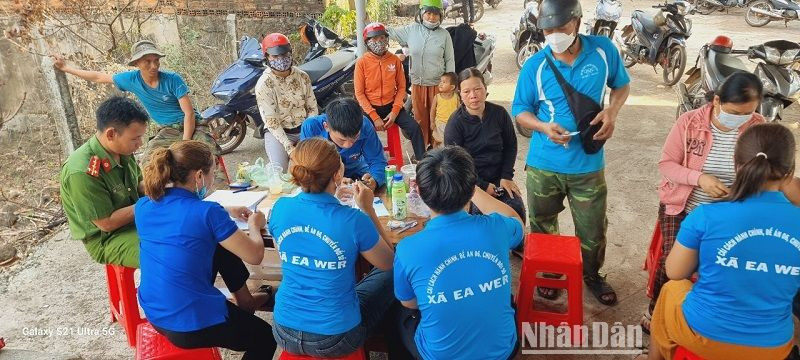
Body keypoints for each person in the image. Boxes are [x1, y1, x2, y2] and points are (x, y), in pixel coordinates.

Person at [511, 0, 631, 305]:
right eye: (547, 29)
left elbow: (621, 86)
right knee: (542, 225)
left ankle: (592, 275)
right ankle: (550, 274)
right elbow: (520, 111)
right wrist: (542, 126)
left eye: (559, 27)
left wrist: (612, 113)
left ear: (576, 22)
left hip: (588, 164)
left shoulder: (602, 50)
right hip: (544, 164)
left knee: (592, 230)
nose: (553, 34)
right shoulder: (535, 66)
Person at [648, 123, 800, 360]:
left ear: (737, 166)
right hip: (773, 347)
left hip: (705, 337)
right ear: (789, 173)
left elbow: (675, 271)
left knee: (671, 289)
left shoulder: (706, 216)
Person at [642, 72, 765, 332]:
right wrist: (700, 179)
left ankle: (701, 313)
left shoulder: (757, 127)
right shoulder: (689, 123)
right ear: (717, 100)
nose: (741, 120)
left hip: (730, 212)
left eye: (748, 113)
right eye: (734, 112)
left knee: (725, 264)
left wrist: (740, 191)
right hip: (683, 207)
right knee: (672, 264)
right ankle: (657, 307)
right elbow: (667, 164)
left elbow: (762, 173)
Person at [135, 140, 276, 359]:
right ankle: (245, 303)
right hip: (189, 322)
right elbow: (255, 255)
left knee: (220, 245)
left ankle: (246, 302)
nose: (212, 180)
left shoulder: (144, 206)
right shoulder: (207, 213)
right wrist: (254, 225)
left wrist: (225, 210)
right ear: (199, 175)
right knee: (265, 337)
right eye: (212, 173)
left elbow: (183, 216)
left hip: (155, 311)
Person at [393, 146, 524, 360]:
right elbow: (516, 220)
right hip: (503, 351)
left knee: (400, 314)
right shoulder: (496, 228)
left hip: (441, 355)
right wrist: (473, 189)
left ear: (419, 192)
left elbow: (410, 303)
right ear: (472, 189)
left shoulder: (408, 249)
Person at [268, 138, 396, 357]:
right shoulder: (353, 219)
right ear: (338, 174)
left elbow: (289, 250)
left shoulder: (280, 208)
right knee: (393, 273)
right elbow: (388, 262)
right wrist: (368, 209)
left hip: (283, 330)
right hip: (335, 338)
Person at [52, 40, 221, 164]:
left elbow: (189, 113)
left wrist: (185, 144)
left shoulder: (173, 79)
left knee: (207, 157)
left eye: (156, 60)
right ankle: (156, 204)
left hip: (194, 125)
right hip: (168, 130)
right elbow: (98, 77)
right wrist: (66, 68)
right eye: (147, 61)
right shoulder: (131, 80)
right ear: (137, 63)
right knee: (150, 162)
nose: (153, 65)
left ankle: (220, 202)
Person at [60, 96, 148, 268]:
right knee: (167, 255)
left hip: (136, 219)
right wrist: (150, 202)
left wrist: (161, 187)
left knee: (193, 232)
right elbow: (107, 223)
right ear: (111, 134)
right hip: (108, 238)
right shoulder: (81, 171)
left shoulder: (122, 150)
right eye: (135, 138)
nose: (140, 143)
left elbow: (139, 185)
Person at [444, 68, 525, 223]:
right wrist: (480, 185)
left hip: (500, 179)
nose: (473, 96)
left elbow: (511, 145)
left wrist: (506, 176)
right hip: (471, 184)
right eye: (466, 91)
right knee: (479, 217)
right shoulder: (455, 123)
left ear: (485, 89)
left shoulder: (499, 113)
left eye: (477, 89)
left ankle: (516, 247)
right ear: (460, 94)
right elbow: (455, 164)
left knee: (516, 209)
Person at [354, 22, 426, 161]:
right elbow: (359, 93)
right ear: (367, 42)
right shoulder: (362, 63)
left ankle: (423, 163)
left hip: (391, 106)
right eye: (374, 39)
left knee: (415, 128)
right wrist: (374, 117)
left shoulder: (394, 60)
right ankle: (362, 163)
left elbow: (401, 88)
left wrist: (394, 113)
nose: (379, 42)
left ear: (387, 39)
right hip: (370, 108)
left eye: (382, 38)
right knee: (356, 133)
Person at [388, 0, 455, 148]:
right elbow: (390, 32)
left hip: (439, 86)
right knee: (420, 119)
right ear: (421, 13)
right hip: (418, 85)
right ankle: (422, 149)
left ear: (441, 16)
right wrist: (369, 24)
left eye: (436, 14)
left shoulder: (444, 35)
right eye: (428, 13)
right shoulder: (412, 30)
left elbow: (450, 60)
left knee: (439, 119)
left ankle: (438, 150)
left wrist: (451, 85)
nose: (432, 18)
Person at [255, 33, 319, 172]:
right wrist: (289, 148)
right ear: (267, 57)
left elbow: (312, 108)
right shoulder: (264, 85)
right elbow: (272, 122)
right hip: (279, 132)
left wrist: (304, 136)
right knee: (279, 171)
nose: (281, 59)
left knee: (314, 167)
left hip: (304, 128)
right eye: (275, 56)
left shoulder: (302, 77)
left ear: (290, 53)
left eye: (284, 55)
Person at [300, 98, 388, 191]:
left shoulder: (364, 124)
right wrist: (335, 180)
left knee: (384, 182)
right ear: (326, 127)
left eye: (355, 138)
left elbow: (377, 160)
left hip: (356, 167)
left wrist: (375, 181)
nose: (348, 145)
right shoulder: (311, 127)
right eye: (342, 140)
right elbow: (308, 168)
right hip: (324, 174)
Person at [430, 72, 459, 147]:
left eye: (444, 82)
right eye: (440, 81)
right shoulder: (437, 97)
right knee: (438, 141)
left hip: (452, 124)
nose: (440, 84)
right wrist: (432, 122)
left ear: (452, 87)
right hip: (439, 124)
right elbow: (432, 111)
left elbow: (459, 111)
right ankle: (435, 155)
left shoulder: (456, 98)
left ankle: (445, 155)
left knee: (448, 141)